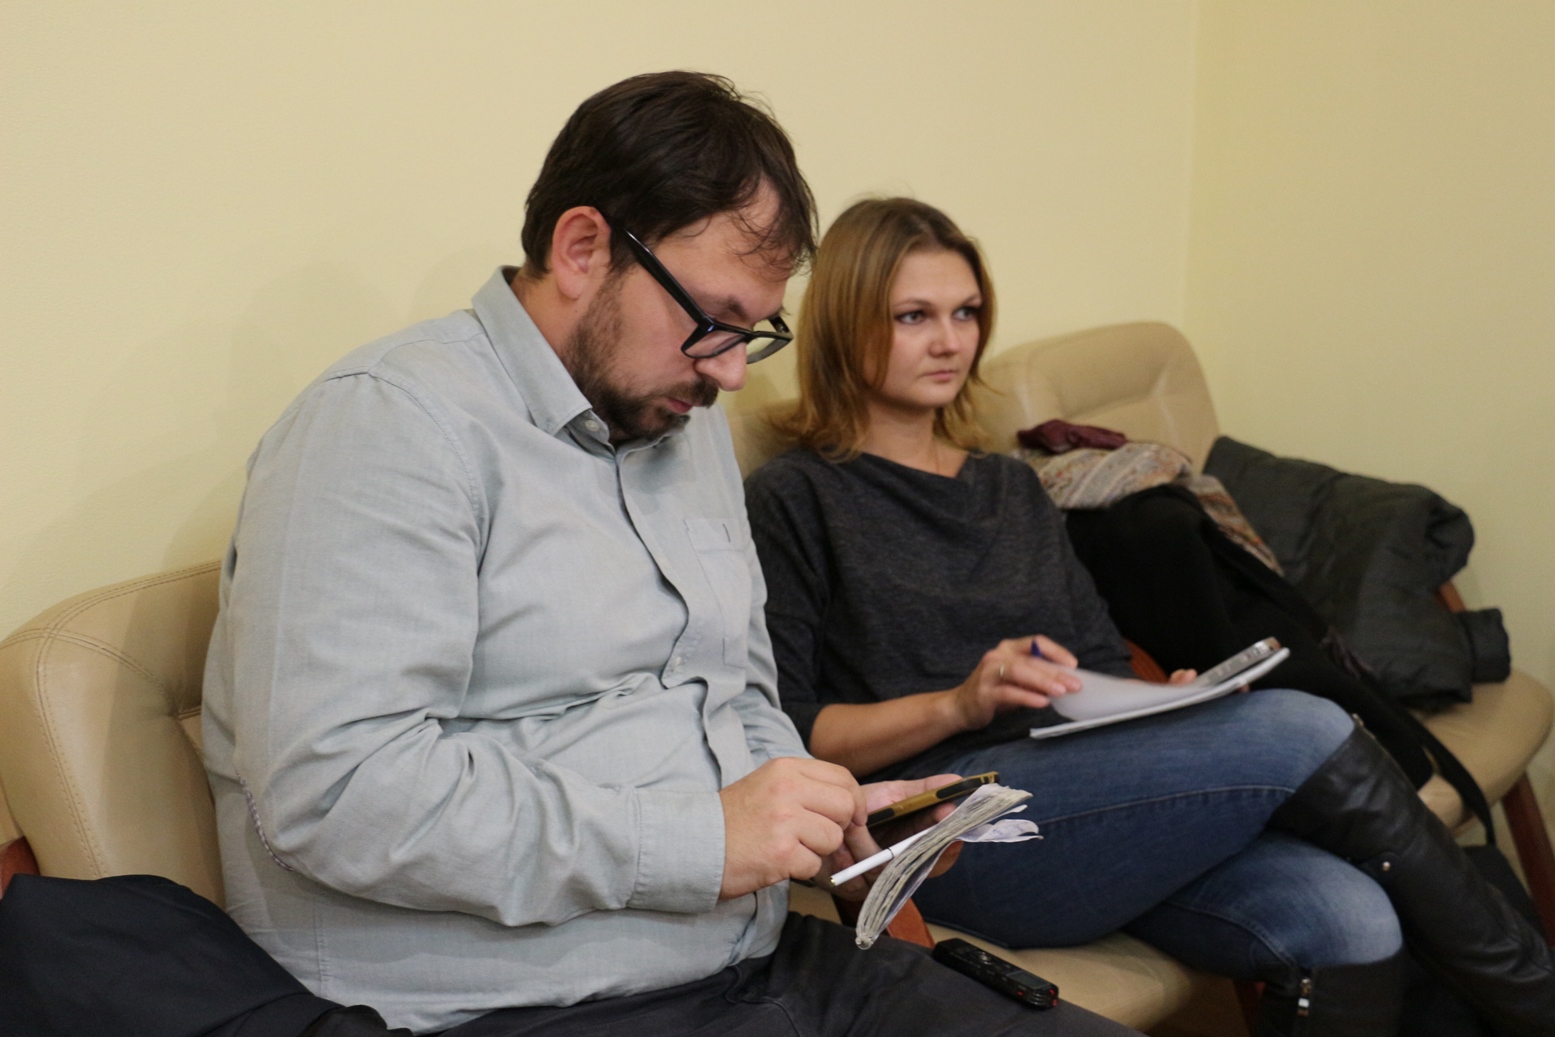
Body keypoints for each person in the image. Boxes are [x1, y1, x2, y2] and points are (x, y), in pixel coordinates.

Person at [201, 74, 1140, 1037]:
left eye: (752, 332)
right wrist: (702, 839)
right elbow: (339, 793)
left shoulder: (681, 425)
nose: (730, 371)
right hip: (509, 1006)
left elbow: (740, 695)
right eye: (714, 319)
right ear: (582, 248)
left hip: (751, 961)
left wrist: (831, 819)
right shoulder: (389, 425)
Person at [743, 196, 1555, 1037]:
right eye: (913, 316)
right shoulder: (796, 497)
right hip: (951, 828)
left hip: (1087, 795)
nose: (950, 341)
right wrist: (959, 704)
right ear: (846, 323)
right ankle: (1537, 1002)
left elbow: (1095, 662)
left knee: (1350, 916)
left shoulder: (1009, 487)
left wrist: (1168, 703)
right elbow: (789, 733)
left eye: (966, 312)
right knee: (1304, 726)